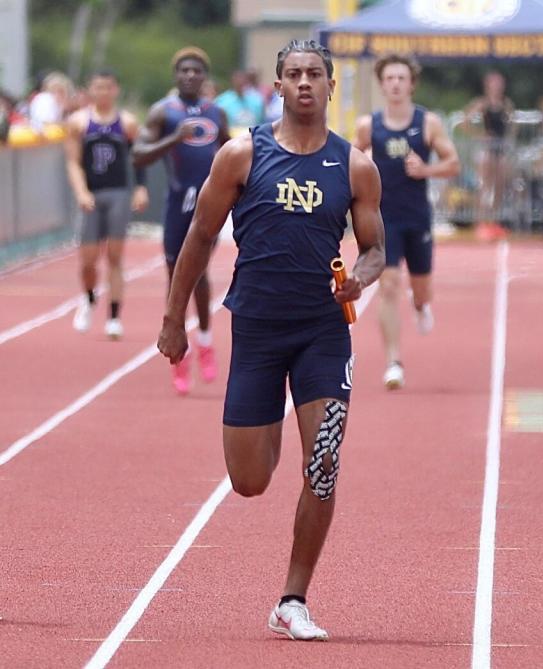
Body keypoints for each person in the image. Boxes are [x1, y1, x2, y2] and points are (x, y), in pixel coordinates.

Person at [157, 39, 385, 641]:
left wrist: (358, 279)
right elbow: (200, 235)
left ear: (331, 87)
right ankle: (275, 428)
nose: (305, 82)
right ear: (277, 86)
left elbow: (376, 249)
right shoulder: (242, 154)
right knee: (250, 480)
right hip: (256, 329)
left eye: (315, 74)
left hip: (322, 332)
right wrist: (174, 318)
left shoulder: (355, 165)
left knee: (326, 462)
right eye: (294, 74)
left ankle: (292, 598)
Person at [354, 54, 460, 390]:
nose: (396, 84)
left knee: (421, 288)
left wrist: (426, 170)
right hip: (384, 218)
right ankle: (393, 362)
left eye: (402, 78)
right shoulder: (369, 125)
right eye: (390, 78)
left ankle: (421, 304)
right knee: (387, 286)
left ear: (411, 83)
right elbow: (348, 161)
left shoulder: (427, 122)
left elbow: (453, 163)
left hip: (417, 218)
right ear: (382, 84)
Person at [133, 47, 230, 394]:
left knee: (200, 273)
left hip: (208, 205)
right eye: (184, 71)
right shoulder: (164, 112)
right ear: (176, 75)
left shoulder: (216, 112)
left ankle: (204, 340)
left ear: (204, 76)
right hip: (177, 203)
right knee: (175, 276)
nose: (190, 76)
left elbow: (232, 151)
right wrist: (174, 138)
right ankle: (180, 346)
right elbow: (138, 155)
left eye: (196, 71)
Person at [65, 70, 150, 338]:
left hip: (117, 193)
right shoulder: (79, 122)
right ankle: (89, 298)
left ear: (115, 90)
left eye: (107, 87)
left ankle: (114, 317)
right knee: (88, 260)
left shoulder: (127, 123)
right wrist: (80, 192)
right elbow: (73, 162)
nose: (102, 92)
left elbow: (139, 157)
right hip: (92, 192)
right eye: (97, 87)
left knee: (115, 255)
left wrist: (140, 188)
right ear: (90, 90)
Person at [464, 71, 515, 237]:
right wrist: (480, 135)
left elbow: (512, 124)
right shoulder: (482, 103)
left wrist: (508, 139)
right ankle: (479, 221)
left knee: (499, 185)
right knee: (483, 185)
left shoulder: (506, 104)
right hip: (487, 148)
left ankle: (494, 220)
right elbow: (466, 121)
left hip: (500, 149)